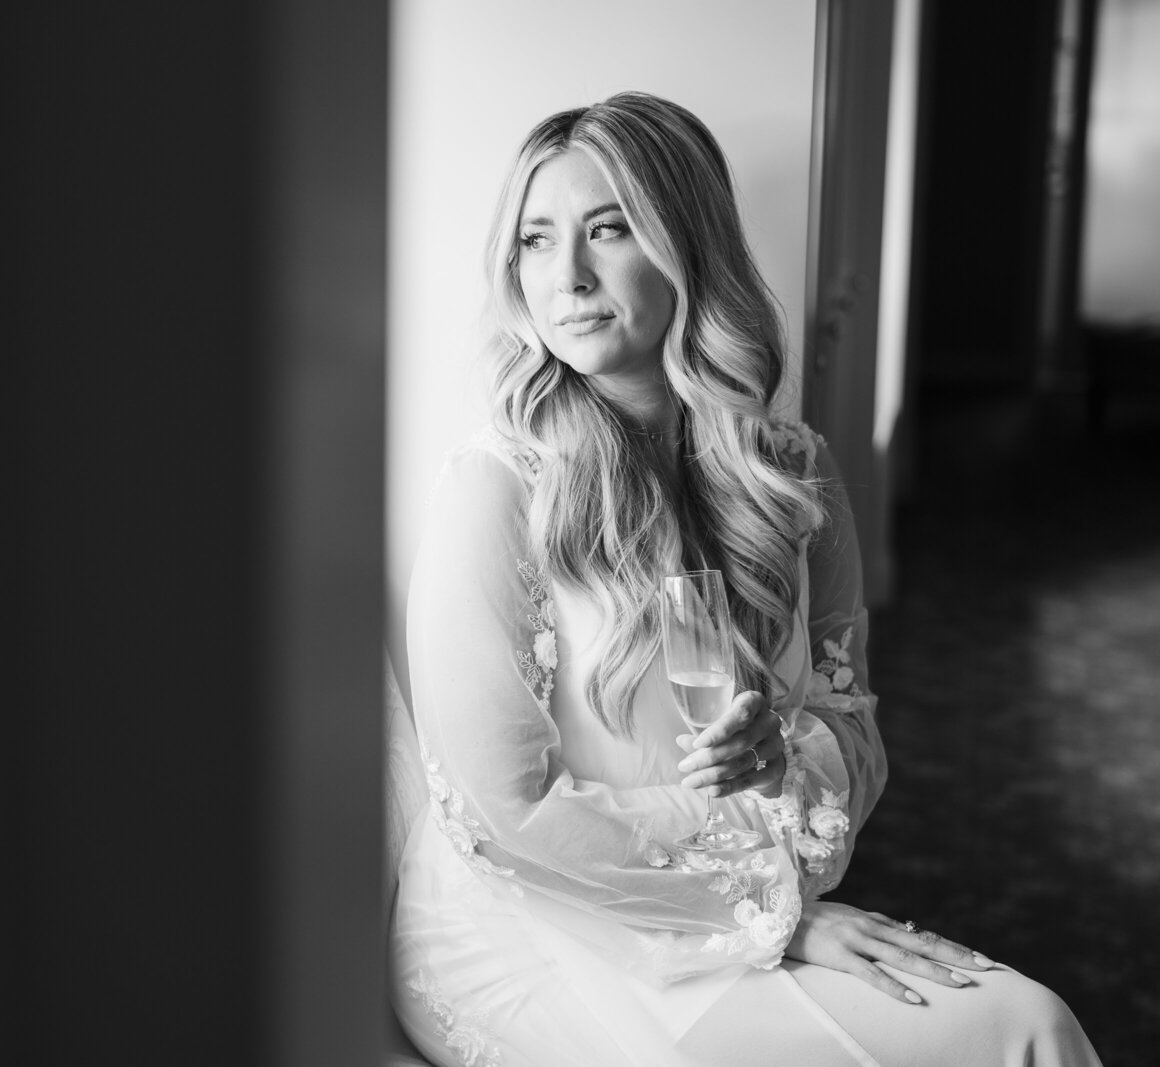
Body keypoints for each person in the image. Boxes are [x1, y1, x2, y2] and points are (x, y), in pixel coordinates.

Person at [389, 91, 1102, 1067]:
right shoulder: (495, 488)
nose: (568, 275)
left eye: (608, 228)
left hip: (734, 889)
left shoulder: (789, 469)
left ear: (686, 244)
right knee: (1016, 1028)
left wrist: (781, 761)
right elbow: (502, 815)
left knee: (1028, 1016)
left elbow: (848, 723)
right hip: (538, 925)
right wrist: (769, 917)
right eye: (533, 240)